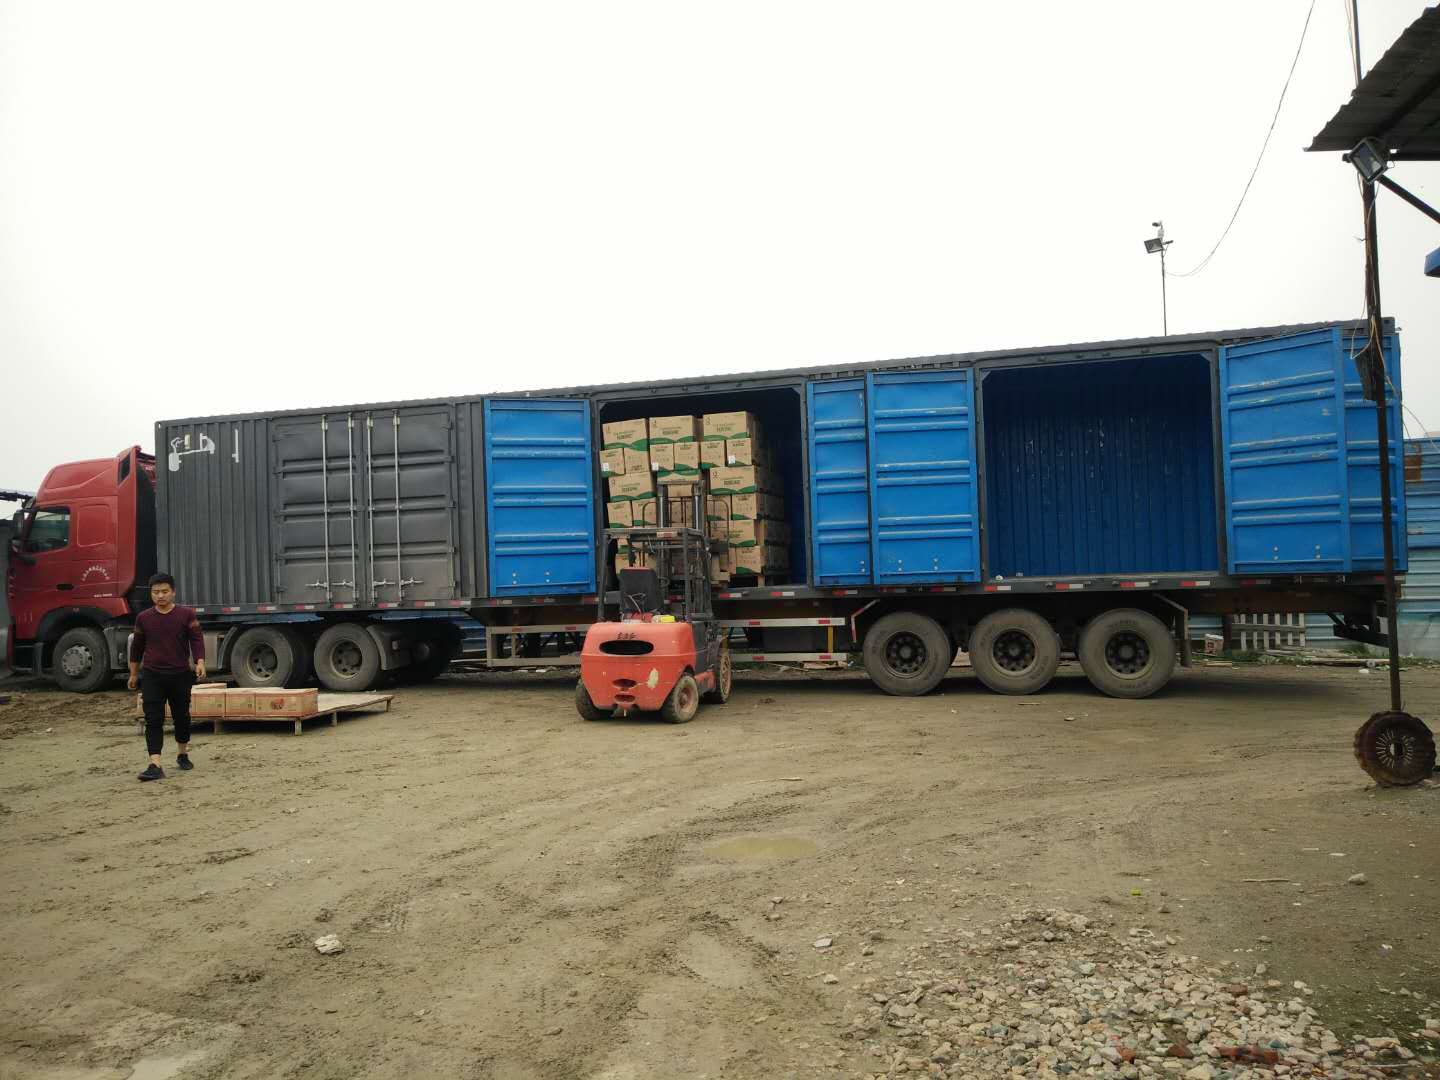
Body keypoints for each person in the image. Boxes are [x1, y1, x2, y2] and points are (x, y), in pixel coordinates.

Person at [127, 573, 206, 781]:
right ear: (151, 594)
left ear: (173, 592)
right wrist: (133, 674)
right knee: (153, 718)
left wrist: (200, 662)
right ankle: (155, 764)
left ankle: (182, 754)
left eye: (164, 591)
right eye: (156, 592)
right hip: (152, 675)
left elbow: (196, 639)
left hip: (180, 674)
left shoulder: (186, 614)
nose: (160, 596)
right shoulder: (143, 618)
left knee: (182, 716)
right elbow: (136, 648)